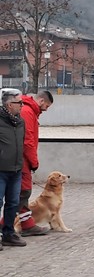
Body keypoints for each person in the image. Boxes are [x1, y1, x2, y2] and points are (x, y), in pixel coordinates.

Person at [18, 90, 54, 236]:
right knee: (23, 192)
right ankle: (21, 225)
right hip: (22, 160)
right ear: (41, 101)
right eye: (47, 106)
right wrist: (34, 162)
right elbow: (28, 141)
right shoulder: (28, 112)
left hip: (22, 159)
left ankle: (23, 224)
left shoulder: (28, 111)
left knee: (22, 192)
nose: (46, 109)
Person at [0, 89, 27, 248]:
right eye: (19, 103)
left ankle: (9, 233)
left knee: (13, 202)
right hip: (1, 169)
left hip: (16, 170)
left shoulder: (20, 121)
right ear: (10, 105)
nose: (22, 106)